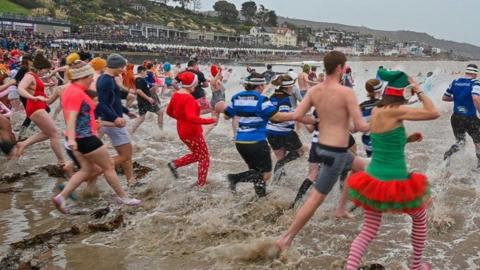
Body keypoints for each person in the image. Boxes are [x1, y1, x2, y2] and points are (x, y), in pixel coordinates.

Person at [345, 68, 439, 270]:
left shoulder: (378, 110)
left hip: (373, 179)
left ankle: (350, 267)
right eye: (409, 94)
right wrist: (420, 90)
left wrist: (406, 139)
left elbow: (385, 142)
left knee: (369, 229)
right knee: (420, 218)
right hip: (395, 180)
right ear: (403, 93)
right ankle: (416, 266)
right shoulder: (396, 111)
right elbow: (434, 112)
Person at [276, 51, 369, 251]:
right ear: (338, 68)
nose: (344, 70)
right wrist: (383, 122)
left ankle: (341, 209)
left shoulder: (315, 91)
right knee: (317, 198)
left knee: (361, 166)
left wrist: (314, 120)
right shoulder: (346, 92)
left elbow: (298, 115)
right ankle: (286, 238)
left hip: (320, 148)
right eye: (344, 67)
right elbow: (361, 126)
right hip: (334, 152)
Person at [52, 60, 141, 214]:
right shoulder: (76, 93)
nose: (92, 80)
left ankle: (62, 197)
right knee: (108, 166)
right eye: (89, 77)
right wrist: (73, 139)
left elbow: (88, 118)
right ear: (81, 77)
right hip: (85, 138)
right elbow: (71, 118)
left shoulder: (71, 90)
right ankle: (123, 196)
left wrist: (115, 120)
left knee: (86, 170)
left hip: (80, 137)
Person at [222, 72, 314, 197]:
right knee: (265, 174)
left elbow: (227, 115)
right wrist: (299, 116)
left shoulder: (236, 97)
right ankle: (235, 178)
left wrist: (221, 107)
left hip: (240, 142)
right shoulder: (262, 100)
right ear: (260, 86)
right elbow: (276, 116)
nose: (265, 87)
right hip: (256, 141)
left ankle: (260, 197)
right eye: (264, 85)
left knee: (256, 171)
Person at [166, 71, 216, 187]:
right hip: (192, 131)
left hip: (182, 131)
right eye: (196, 83)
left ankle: (175, 164)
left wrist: (181, 119)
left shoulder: (176, 94)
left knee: (198, 155)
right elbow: (192, 118)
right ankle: (201, 184)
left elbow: (169, 112)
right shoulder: (189, 99)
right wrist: (210, 120)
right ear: (192, 84)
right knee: (204, 158)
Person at [16, 52, 65, 165]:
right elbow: (20, 88)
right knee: (54, 134)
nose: (47, 72)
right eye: (46, 70)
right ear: (40, 68)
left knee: (48, 133)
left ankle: (23, 144)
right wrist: (33, 97)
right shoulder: (29, 75)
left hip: (38, 106)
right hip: (34, 107)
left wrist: (52, 90)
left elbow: (39, 91)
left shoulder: (35, 77)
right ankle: (61, 161)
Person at [96, 54, 136, 186]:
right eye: (122, 67)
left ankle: (131, 182)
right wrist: (115, 118)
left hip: (114, 119)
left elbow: (115, 100)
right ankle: (91, 172)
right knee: (125, 155)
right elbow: (102, 103)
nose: (123, 70)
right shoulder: (105, 80)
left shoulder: (110, 79)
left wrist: (126, 111)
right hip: (112, 122)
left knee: (126, 156)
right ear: (116, 66)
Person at [266, 74, 305, 178]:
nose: (293, 88)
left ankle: (277, 183)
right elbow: (282, 116)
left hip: (270, 131)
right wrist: (297, 114)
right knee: (300, 152)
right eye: (292, 86)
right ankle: (281, 165)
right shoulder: (285, 100)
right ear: (287, 87)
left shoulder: (272, 96)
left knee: (280, 157)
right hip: (284, 132)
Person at [442, 64, 480, 167]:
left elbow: (445, 97)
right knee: (478, 142)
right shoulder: (475, 82)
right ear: (475, 73)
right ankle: (478, 166)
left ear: (466, 72)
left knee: (461, 142)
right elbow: (475, 98)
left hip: (456, 118)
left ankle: (448, 153)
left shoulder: (455, 81)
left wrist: (458, 99)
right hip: (470, 118)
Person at [129, 66, 163, 134]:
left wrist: (152, 89)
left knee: (141, 118)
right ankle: (161, 131)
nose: (146, 74)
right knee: (160, 113)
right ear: (142, 71)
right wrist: (148, 98)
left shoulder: (141, 79)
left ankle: (130, 133)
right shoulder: (139, 79)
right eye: (145, 72)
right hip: (146, 101)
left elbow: (144, 91)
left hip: (143, 101)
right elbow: (138, 91)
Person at [359, 79, 384, 157]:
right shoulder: (384, 104)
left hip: (367, 141)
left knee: (371, 162)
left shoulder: (361, 106)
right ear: (379, 91)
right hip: (381, 140)